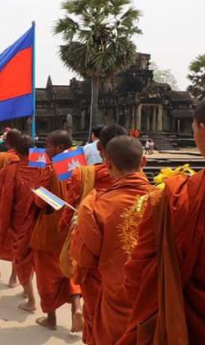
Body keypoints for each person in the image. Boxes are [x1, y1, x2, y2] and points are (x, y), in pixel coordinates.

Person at [119, 95, 205, 344]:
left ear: (204, 128)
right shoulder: (179, 195)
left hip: (188, 328)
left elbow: (138, 274)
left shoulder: (173, 198)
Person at [70, 136, 151, 344]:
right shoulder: (168, 200)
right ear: (144, 162)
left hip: (114, 296)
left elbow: (84, 257)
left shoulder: (96, 206)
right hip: (154, 299)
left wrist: (77, 229)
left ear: (108, 164)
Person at [60, 124, 127, 344]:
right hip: (129, 266)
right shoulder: (151, 190)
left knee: (95, 315)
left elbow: (70, 212)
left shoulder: (84, 175)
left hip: (94, 257)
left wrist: (64, 229)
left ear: (100, 148)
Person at [32, 130, 82, 332]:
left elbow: (38, 200)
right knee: (71, 269)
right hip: (77, 228)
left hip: (52, 228)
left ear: (60, 147)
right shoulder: (84, 168)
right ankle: (76, 311)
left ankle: (51, 319)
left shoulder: (52, 170)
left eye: (48, 145)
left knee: (46, 275)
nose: (46, 149)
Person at [0, 134, 41, 310]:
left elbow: (3, 199)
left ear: (16, 151)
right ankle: (27, 289)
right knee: (36, 258)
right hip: (41, 221)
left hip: (20, 222)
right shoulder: (46, 168)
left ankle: (31, 300)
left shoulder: (9, 171)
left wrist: (3, 225)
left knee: (21, 259)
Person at [0, 129, 22, 281]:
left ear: (6, 142)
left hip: (1, 203)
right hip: (21, 206)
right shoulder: (28, 159)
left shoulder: (0, 158)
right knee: (16, 241)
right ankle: (14, 277)